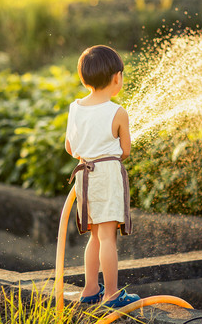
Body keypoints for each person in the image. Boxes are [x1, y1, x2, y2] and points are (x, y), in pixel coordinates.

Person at [65, 45, 140, 308]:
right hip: (106, 175)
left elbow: (70, 148)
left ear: (84, 78)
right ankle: (111, 294)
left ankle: (90, 288)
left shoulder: (75, 108)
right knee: (108, 237)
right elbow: (126, 151)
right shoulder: (117, 112)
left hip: (84, 176)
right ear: (117, 77)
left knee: (95, 236)